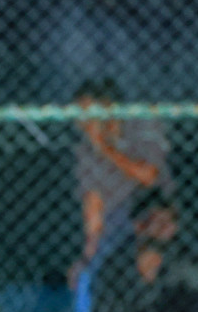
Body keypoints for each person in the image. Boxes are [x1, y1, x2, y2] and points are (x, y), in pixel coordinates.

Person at [72, 77, 170, 277]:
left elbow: (149, 176)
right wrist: (87, 255)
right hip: (115, 224)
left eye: (88, 113)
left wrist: (105, 149)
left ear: (108, 107)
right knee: (87, 273)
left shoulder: (142, 125)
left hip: (152, 210)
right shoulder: (87, 148)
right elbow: (93, 201)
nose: (83, 123)